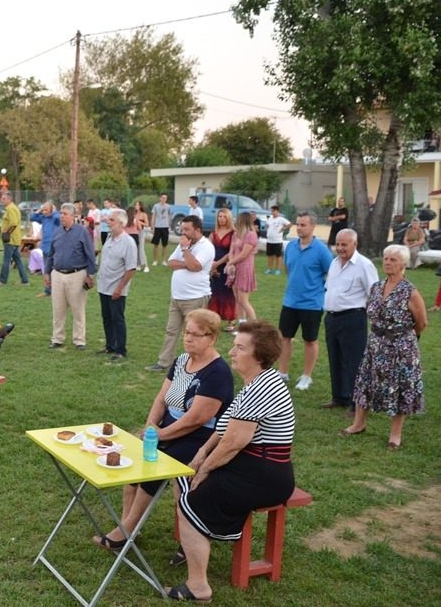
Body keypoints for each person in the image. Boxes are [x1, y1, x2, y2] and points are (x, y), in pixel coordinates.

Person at [170, 320, 295, 602]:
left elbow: (233, 442)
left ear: (258, 355)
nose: (232, 352)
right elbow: (223, 429)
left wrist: (205, 469)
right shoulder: (254, 383)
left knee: (193, 497)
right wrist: (201, 455)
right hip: (253, 466)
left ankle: (198, 585)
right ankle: (190, 544)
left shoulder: (261, 388)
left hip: (265, 475)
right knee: (183, 478)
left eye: (240, 347)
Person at [92, 310, 234, 556]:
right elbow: (162, 398)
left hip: (199, 438)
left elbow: (196, 419)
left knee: (155, 467)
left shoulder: (218, 372)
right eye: (186, 332)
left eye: (196, 335)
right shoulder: (181, 361)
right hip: (167, 429)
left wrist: (160, 435)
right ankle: (130, 529)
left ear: (211, 338)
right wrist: (150, 428)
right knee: (136, 460)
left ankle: (126, 530)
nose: (188, 338)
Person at [341, 245, 427, 450]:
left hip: (401, 347)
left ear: (404, 264)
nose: (387, 262)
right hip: (375, 345)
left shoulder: (410, 291)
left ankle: (395, 434)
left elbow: (422, 322)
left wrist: (402, 338)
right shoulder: (376, 287)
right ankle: (358, 424)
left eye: (393, 260)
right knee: (366, 382)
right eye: (386, 258)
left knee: (399, 387)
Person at [146, 216, 215, 372]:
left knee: (195, 334)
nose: (183, 232)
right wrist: (186, 263)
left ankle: (194, 366)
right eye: (182, 229)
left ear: (197, 229)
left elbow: (196, 266)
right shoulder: (184, 243)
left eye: (186, 229)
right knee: (171, 331)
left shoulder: (206, 246)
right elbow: (171, 263)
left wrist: (185, 251)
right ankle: (164, 362)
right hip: (177, 297)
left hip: (195, 297)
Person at [323, 229, 379, 412]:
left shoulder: (364, 265)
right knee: (335, 358)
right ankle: (339, 396)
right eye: (337, 244)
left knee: (354, 362)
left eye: (344, 244)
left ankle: (357, 404)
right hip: (332, 318)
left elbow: (374, 294)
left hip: (353, 318)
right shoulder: (334, 263)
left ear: (355, 244)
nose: (340, 248)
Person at [277, 212, 333, 390]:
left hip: (312, 303)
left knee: (310, 340)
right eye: (298, 224)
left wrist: (316, 291)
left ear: (313, 227)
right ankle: (282, 372)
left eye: (303, 225)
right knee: (285, 337)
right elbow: (288, 269)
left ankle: (306, 376)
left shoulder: (322, 250)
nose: (299, 228)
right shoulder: (291, 246)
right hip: (290, 301)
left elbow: (331, 274)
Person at [44, 203, 97, 350]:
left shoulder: (82, 232)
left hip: (77, 275)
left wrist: (90, 274)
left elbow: (90, 254)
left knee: (78, 309)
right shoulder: (57, 232)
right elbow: (51, 254)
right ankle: (57, 338)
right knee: (58, 309)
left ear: (73, 216)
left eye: (65, 214)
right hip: (57, 274)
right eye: (61, 213)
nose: (62, 216)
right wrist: (47, 273)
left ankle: (79, 340)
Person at [95, 209, 137, 362]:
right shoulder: (109, 238)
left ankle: (121, 349)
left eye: (112, 220)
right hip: (104, 286)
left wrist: (119, 288)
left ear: (121, 223)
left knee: (117, 318)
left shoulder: (128, 242)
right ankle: (110, 345)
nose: (108, 222)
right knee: (106, 317)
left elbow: (131, 268)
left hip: (116, 288)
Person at [227, 211, 259, 327]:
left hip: (245, 268)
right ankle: (242, 326)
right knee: (237, 300)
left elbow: (244, 254)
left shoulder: (251, 235)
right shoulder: (236, 234)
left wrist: (230, 262)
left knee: (243, 300)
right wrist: (231, 264)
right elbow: (232, 251)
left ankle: (256, 326)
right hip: (235, 268)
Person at [207, 208, 236, 331]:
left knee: (227, 292)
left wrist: (218, 263)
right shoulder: (213, 233)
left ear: (228, 218)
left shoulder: (233, 233)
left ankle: (231, 321)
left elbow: (231, 252)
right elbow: (208, 249)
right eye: (220, 216)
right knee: (214, 291)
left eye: (224, 216)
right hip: (213, 264)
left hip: (226, 266)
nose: (222, 219)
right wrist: (211, 265)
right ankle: (214, 320)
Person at [0, 191, 29, 287]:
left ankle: (2, 281)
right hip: (14, 239)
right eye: (2, 198)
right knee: (18, 260)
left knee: (6, 260)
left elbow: (13, 223)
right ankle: (25, 280)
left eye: (4, 198)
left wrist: (6, 232)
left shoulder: (11, 209)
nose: (2, 200)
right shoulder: (11, 208)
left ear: (10, 199)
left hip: (11, 239)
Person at [30, 201, 62, 296]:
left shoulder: (55, 218)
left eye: (46, 210)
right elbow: (32, 217)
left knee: (56, 269)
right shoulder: (44, 218)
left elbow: (57, 218)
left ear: (51, 209)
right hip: (45, 247)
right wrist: (39, 210)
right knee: (46, 270)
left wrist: (54, 211)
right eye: (43, 210)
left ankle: (57, 290)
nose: (44, 212)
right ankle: (48, 290)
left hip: (55, 247)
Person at [264, 205, 291, 275]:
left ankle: (278, 270)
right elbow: (267, 225)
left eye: (273, 211)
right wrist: (267, 228)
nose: (272, 212)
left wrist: (284, 228)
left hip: (277, 241)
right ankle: (270, 269)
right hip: (269, 240)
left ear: (277, 211)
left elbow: (290, 224)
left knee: (278, 256)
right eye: (271, 211)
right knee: (270, 255)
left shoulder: (281, 219)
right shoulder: (270, 219)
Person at [151, 193, 172, 266]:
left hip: (165, 227)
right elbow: (153, 216)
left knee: (165, 245)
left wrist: (170, 225)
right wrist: (152, 226)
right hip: (157, 227)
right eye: (163, 198)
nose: (164, 199)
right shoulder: (155, 206)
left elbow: (169, 216)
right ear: (160, 198)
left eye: (165, 198)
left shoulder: (168, 206)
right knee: (156, 244)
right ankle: (155, 260)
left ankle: (164, 260)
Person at [131, 201, 151, 273]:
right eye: (135, 205)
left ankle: (146, 265)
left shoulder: (143, 214)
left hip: (141, 232)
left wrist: (139, 221)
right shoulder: (134, 214)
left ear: (140, 206)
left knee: (141, 249)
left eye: (137, 205)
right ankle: (138, 264)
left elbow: (147, 224)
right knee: (136, 248)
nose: (136, 206)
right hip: (134, 232)